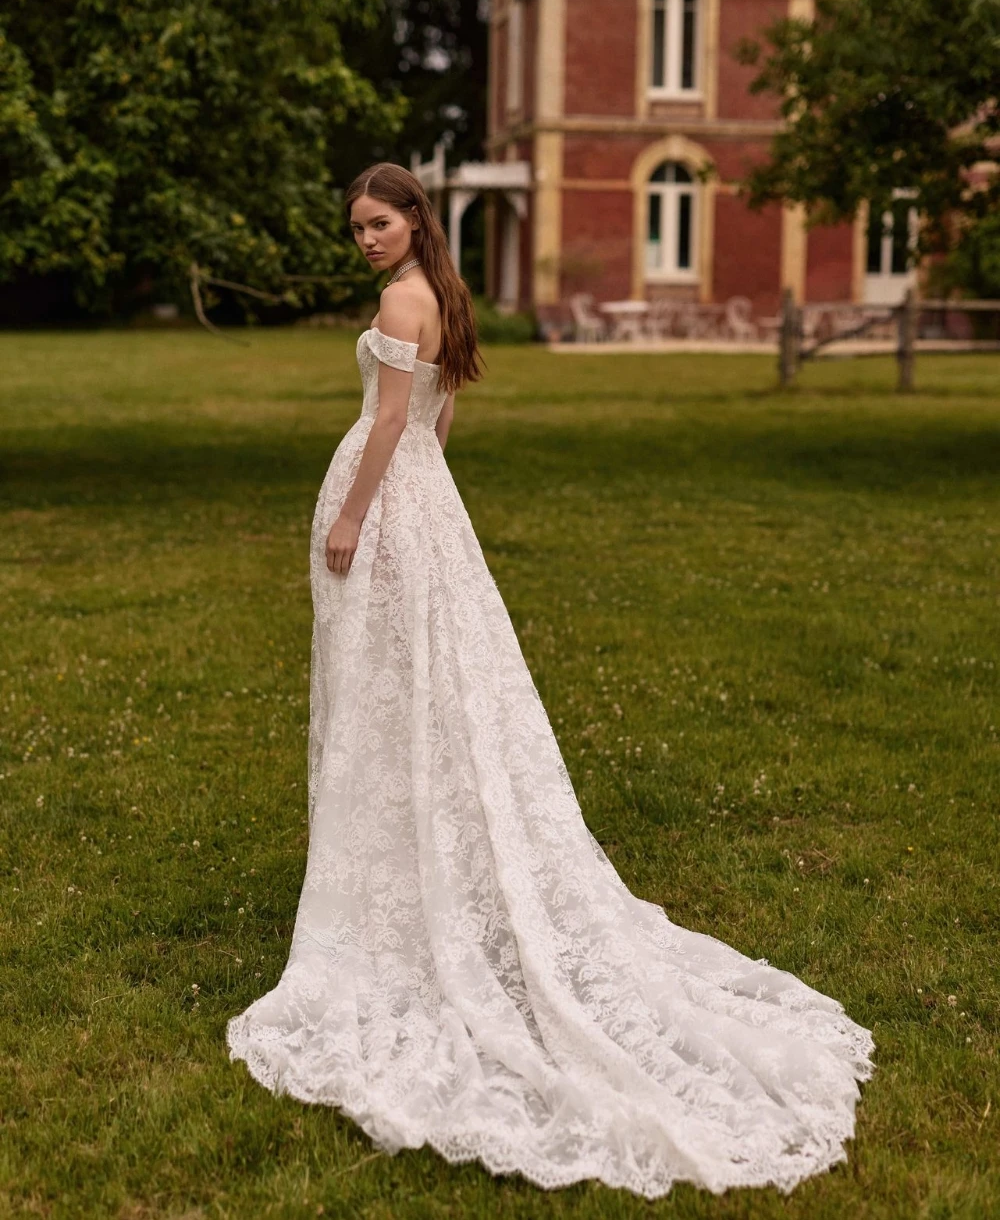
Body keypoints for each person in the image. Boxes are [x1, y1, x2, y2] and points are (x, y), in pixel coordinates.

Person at [227, 163, 875, 1198]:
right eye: (355, 227)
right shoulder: (442, 291)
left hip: (388, 500)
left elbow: (394, 421)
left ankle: (399, 862)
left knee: (396, 683)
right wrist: (418, 484)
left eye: (378, 222)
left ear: (413, 220)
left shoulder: (403, 297)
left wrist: (354, 512)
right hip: (426, 503)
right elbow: (442, 413)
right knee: (430, 682)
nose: (365, 239)